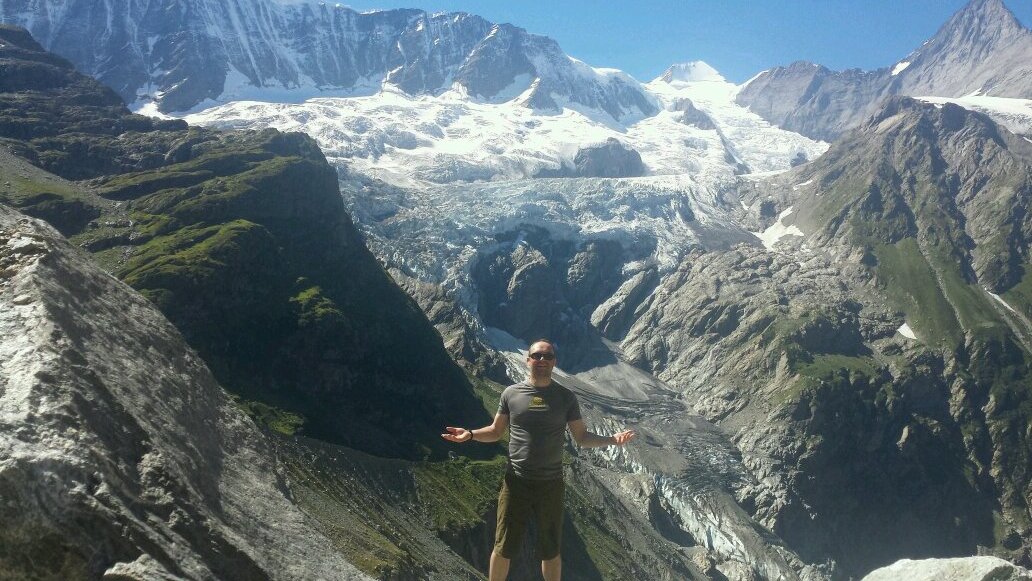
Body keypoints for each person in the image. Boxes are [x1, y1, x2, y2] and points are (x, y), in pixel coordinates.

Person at [442, 338, 637, 581]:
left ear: (554, 362)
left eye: (547, 356)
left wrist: (611, 440)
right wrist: (470, 435)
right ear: (528, 360)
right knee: (503, 546)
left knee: (550, 550)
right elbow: (495, 431)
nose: (541, 360)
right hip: (516, 482)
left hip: (551, 483)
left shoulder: (566, 398)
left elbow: (582, 437)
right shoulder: (511, 394)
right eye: (537, 355)